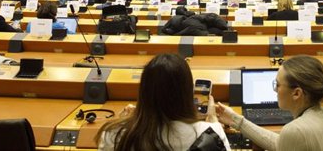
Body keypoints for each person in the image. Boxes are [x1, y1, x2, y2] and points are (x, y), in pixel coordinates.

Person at [96, 53, 230, 151]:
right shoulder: (210, 135)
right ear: (187, 93)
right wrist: (212, 119)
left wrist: (128, 121)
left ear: (144, 92)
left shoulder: (113, 135)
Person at [216, 55, 323, 151]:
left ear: (297, 93)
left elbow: (286, 140)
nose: (275, 90)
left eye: (278, 85)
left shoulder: (295, 130)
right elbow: (281, 144)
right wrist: (235, 120)